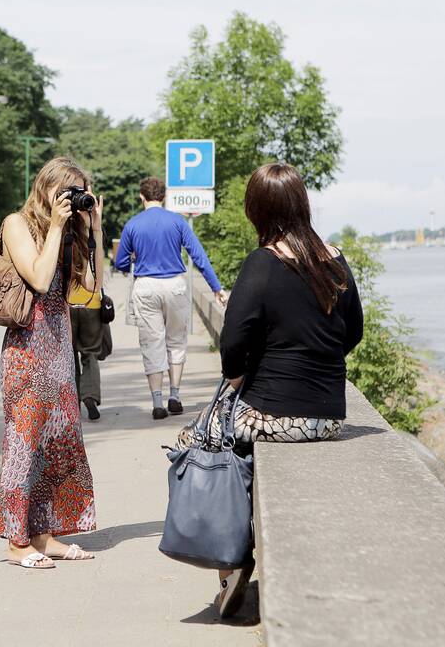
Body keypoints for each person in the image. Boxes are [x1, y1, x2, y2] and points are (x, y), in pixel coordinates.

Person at [176, 162, 363, 617]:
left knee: (199, 439)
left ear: (256, 210)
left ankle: (230, 558)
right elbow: (353, 333)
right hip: (329, 416)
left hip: (274, 416)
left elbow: (233, 346)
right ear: (302, 204)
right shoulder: (334, 259)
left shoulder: (263, 263)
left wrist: (242, 377)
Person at [0, 156, 101, 569]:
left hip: (58, 347)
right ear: (48, 188)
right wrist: (56, 226)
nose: (71, 201)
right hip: (26, 349)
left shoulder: (71, 232)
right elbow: (38, 278)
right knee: (24, 444)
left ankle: (44, 534)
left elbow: (90, 289)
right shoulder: (17, 223)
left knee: (57, 446)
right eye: (67, 192)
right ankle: (16, 542)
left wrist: (93, 231)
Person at [115, 176, 227, 420]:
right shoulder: (177, 222)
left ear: (141, 197)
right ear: (164, 197)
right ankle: (175, 396)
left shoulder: (133, 225)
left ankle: (157, 402)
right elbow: (198, 256)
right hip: (175, 285)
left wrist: (135, 259)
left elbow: (121, 263)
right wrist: (216, 287)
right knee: (176, 341)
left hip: (146, 287)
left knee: (152, 342)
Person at [69, 281, 112, 421]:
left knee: (69, 356)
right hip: (91, 304)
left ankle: (72, 405)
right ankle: (90, 397)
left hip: (67, 304)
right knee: (90, 354)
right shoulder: (95, 256)